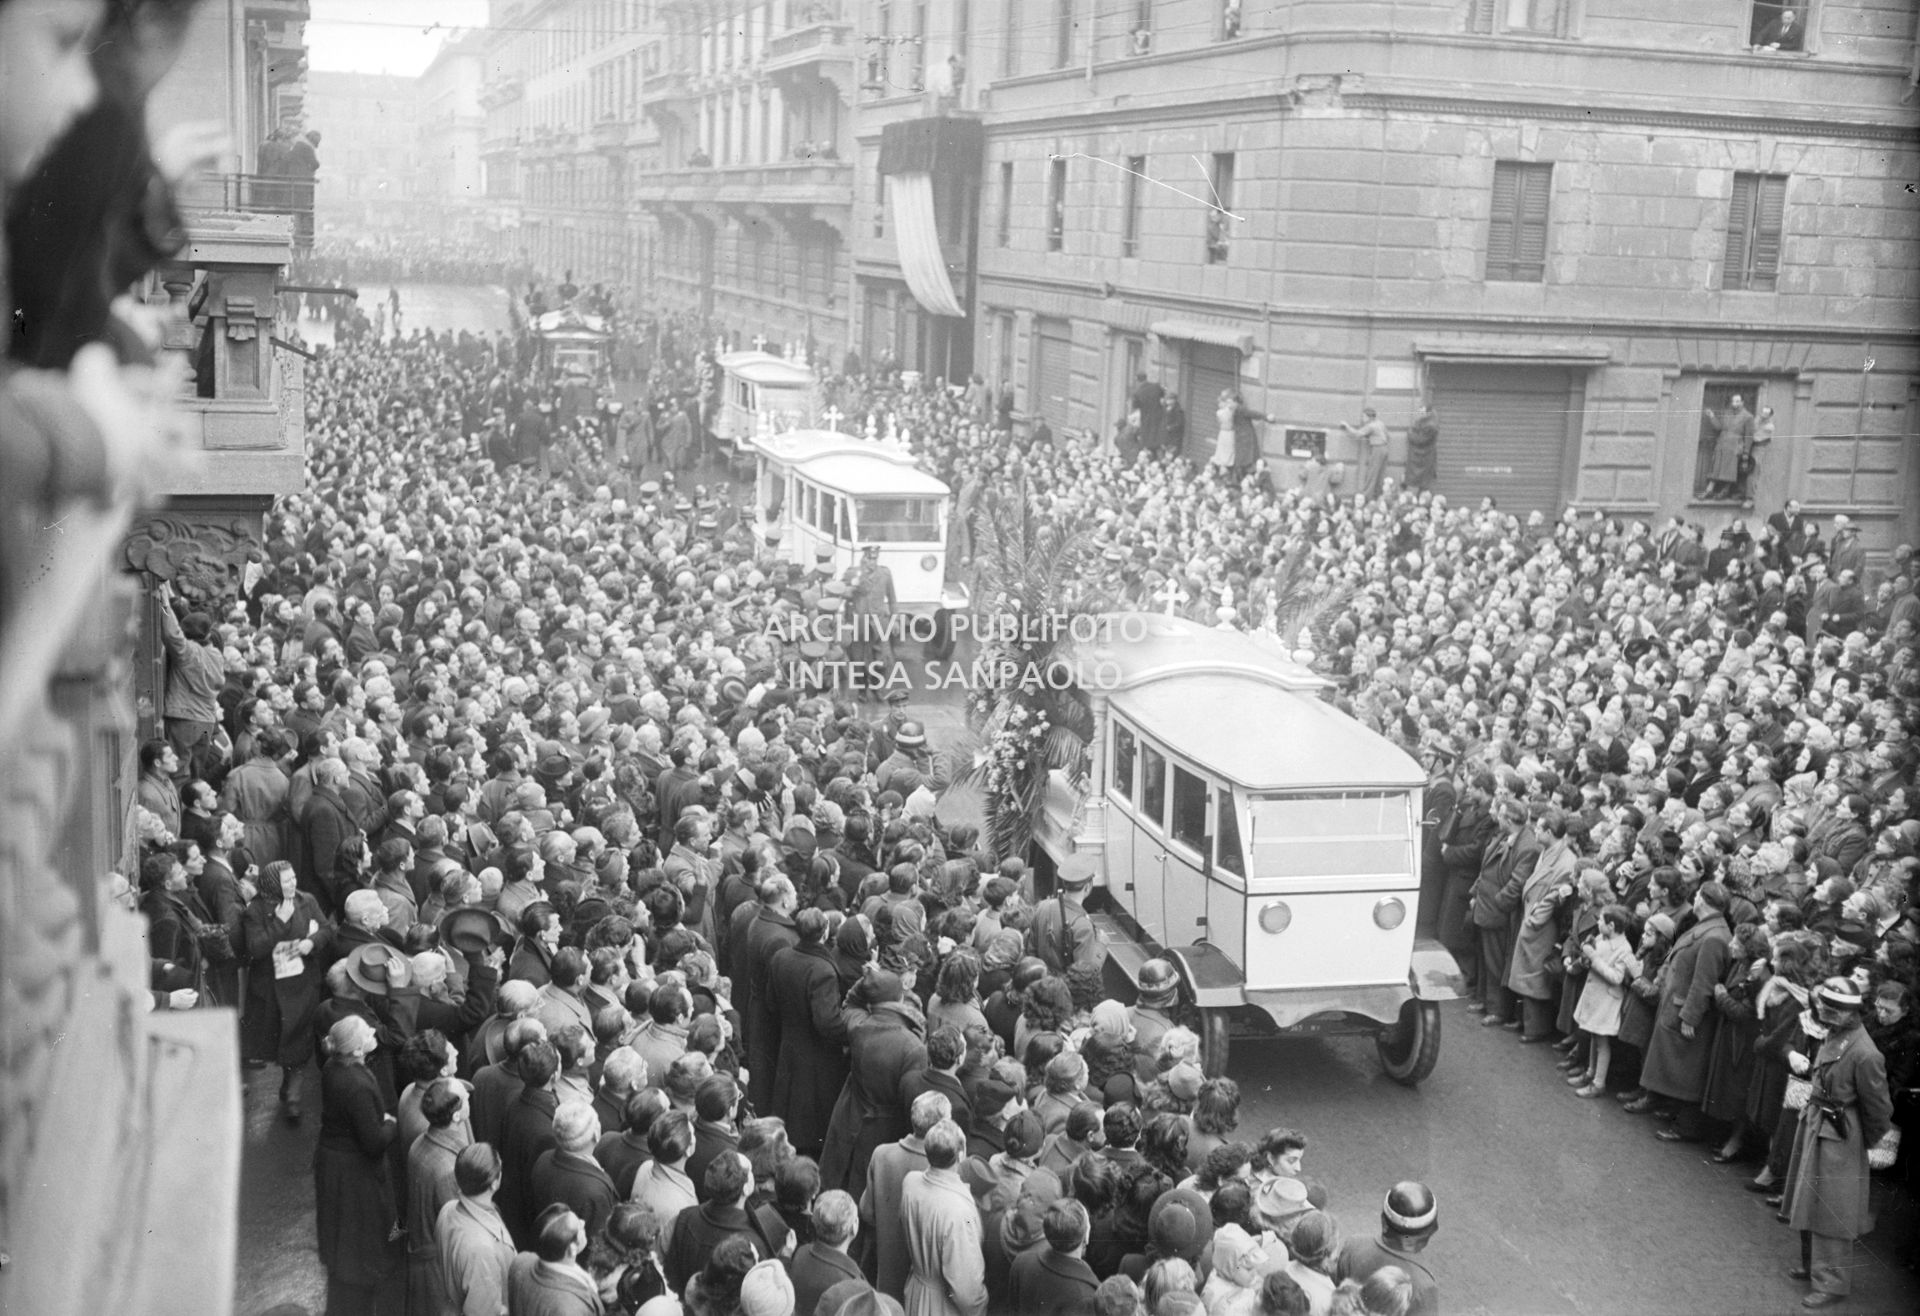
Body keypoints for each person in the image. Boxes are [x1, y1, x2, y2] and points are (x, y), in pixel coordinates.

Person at [1782, 978, 1897, 1308]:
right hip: (1819, 1124)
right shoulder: (1839, 1033)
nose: (1823, 1015)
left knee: (1832, 1210)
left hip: (1840, 1136)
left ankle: (1831, 1283)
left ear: (1850, 1014)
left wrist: (1867, 1147)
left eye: (1831, 1011)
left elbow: (1879, 1110)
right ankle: (1811, 1265)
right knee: (1808, 1200)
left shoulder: (1865, 1053)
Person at [314, 1015, 399, 1316]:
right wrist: (390, 1124)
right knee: (360, 1234)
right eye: (366, 1031)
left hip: (334, 1161)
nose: (373, 1031)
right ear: (356, 1048)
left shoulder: (333, 1068)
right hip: (353, 1171)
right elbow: (373, 1142)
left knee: (342, 1233)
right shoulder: (357, 1084)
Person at [241, 859, 331, 1121]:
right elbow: (255, 948)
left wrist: (311, 943)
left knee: (299, 1040)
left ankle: (292, 1095)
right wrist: (279, 923)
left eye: (294, 878)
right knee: (275, 1038)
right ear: (272, 885)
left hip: (302, 983)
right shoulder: (256, 911)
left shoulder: (307, 901)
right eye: (287, 880)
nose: (293, 884)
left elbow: (327, 929)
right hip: (270, 987)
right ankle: (286, 1082)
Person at [900, 1118, 988, 1316]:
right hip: (943, 1307)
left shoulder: (910, 1182)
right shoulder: (959, 1211)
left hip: (916, 1290)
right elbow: (967, 1292)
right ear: (960, 1154)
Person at [1332, 1182, 1438, 1316]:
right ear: (1427, 1232)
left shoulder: (1353, 1244)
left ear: (1384, 1219)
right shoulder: (1424, 1284)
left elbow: (1337, 1292)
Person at [1028, 856, 1101, 975]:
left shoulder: (1042, 907)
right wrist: (1101, 947)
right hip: (1064, 991)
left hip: (1040, 982)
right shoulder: (1083, 926)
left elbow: (1030, 950)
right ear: (1088, 887)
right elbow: (1084, 976)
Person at [1701, 395, 1754, 501]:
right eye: (1733, 401)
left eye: (1738, 401)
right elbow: (1719, 427)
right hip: (1722, 443)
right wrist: (1712, 416)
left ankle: (1724, 491)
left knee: (1730, 470)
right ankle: (1709, 490)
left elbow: (1749, 436)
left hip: (1735, 446)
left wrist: (1746, 452)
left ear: (1742, 402)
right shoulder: (1726, 413)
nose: (1735, 403)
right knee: (1715, 468)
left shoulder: (1748, 416)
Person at [1339, 407, 1390, 497]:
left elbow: (1357, 434)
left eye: (1364, 417)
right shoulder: (1380, 423)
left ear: (1368, 417)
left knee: (1372, 474)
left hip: (1377, 449)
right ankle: (1378, 495)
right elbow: (1387, 436)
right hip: (1384, 449)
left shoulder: (1371, 426)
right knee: (1380, 475)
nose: (1362, 419)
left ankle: (1366, 496)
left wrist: (1347, 426)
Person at [1403, 406, 1438, 494]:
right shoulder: (1422, 423)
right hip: (1418, 459)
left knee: (1421, 486)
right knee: (1416, 484)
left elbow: (1420, 440)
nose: (1419, 414)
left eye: (1422, 412)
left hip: (1424, 459)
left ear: (1428, 413)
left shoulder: (1431, 426)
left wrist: (1410, 433)